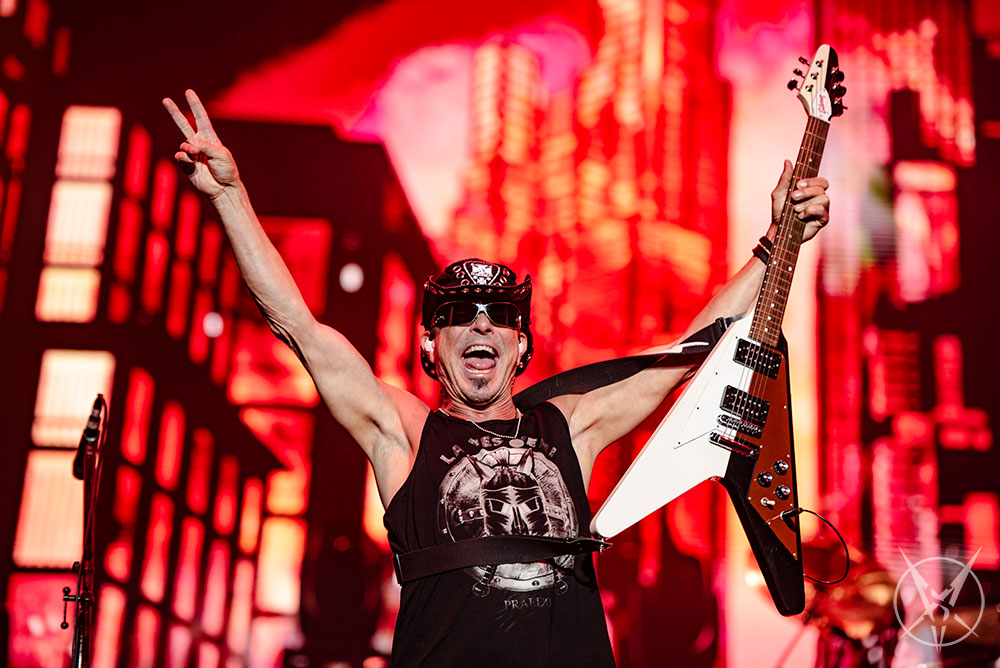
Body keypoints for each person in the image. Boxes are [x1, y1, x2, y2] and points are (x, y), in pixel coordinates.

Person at [163, 89, 830, 667]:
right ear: (430, 345)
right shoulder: (405, 434)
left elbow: (689, 353)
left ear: (521, 347)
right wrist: (231, 198)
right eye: (459, 315)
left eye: (501, 317)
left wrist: (777, 244)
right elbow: (299, 327)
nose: (481, 325)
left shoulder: (570, 427)